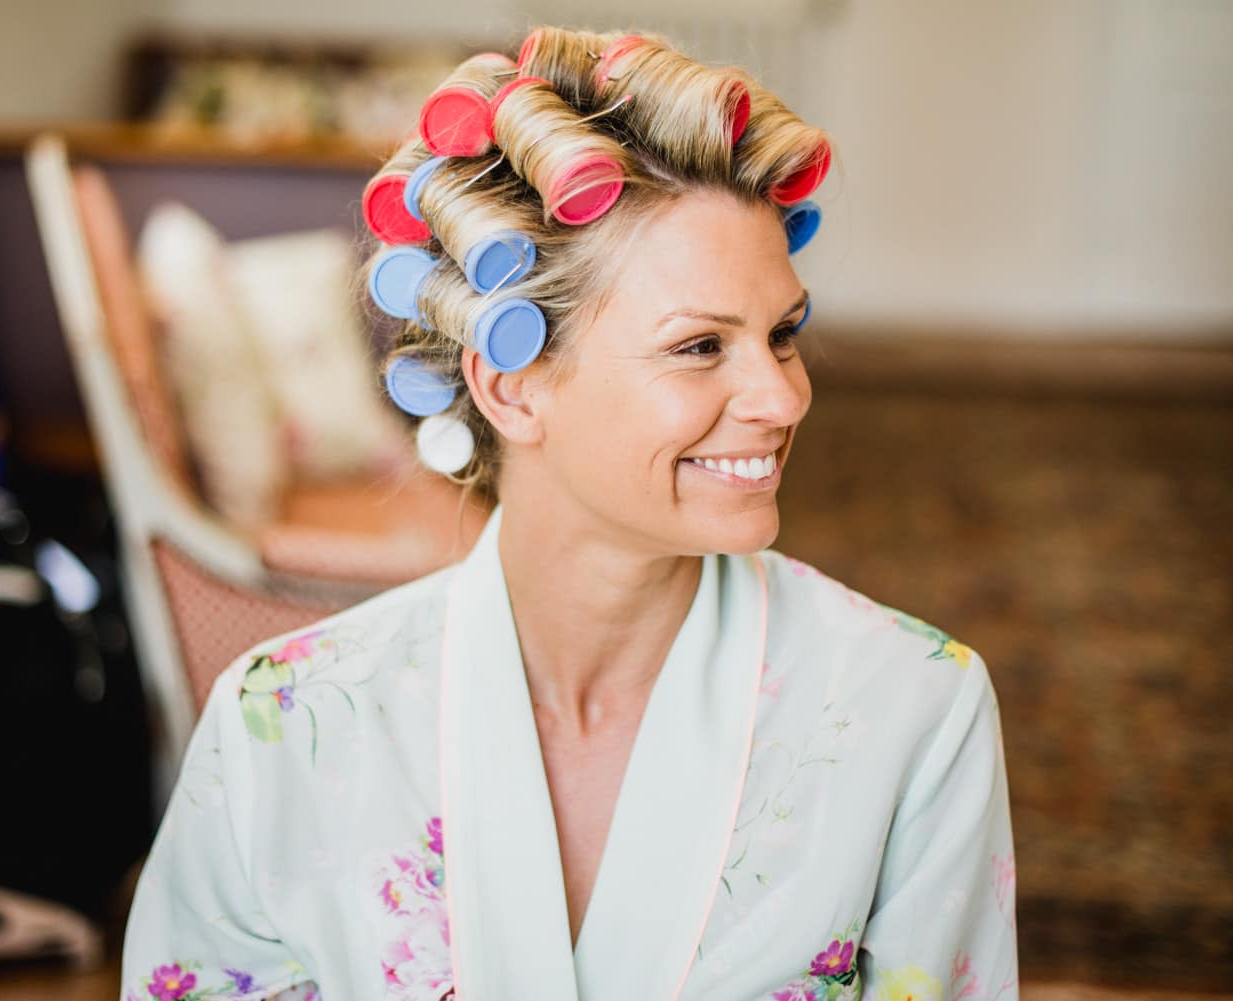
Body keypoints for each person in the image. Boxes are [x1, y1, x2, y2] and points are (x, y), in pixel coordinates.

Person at [121, 26, 1017, 1001]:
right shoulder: (280, 736)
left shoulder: (914, 712)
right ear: (512, 387)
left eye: (782, 334)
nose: (783, 396)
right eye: (700, 347)